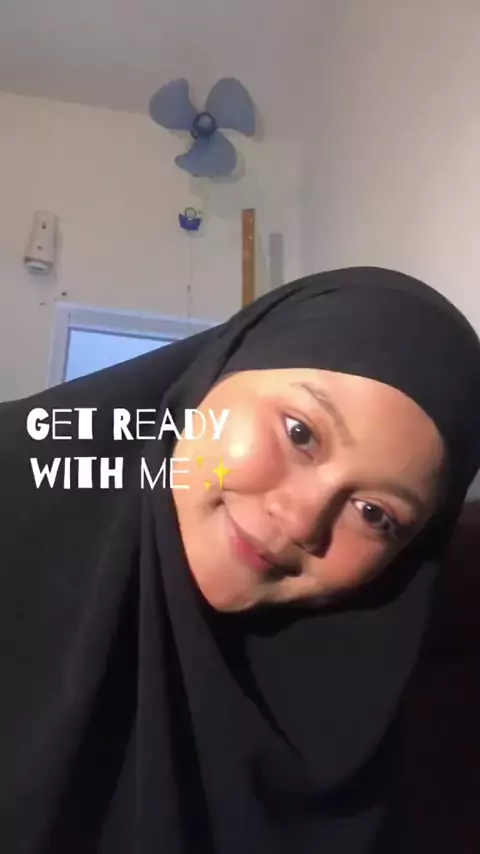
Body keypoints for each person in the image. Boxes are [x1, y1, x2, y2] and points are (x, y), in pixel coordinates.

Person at [1, 266, 479, 854]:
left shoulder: (350, 745)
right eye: (300, 433)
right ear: (217, 374)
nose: (302, 522)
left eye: (374, 513)